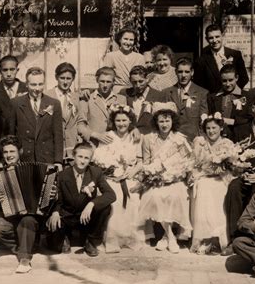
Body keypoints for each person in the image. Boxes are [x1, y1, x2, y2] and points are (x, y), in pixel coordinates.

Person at [0, 135, 55, 273]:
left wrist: (52, 193)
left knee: (27, 220)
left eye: (12, 151)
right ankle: (27, 246)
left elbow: (49, 194)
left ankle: (24, 259)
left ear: (20, 152)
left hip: (32, 218)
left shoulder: (34, 168)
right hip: (10, 217)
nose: (9, 155)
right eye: (5, 152)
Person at [222, 97, 255, 256]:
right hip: (243, 173)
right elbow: (231, 154)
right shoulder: (240, 130)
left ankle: (254, 239)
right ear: (253, 109)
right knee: (234, 188)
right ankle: (235, 240)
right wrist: (240, 168)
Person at [139, 103, 193, 254]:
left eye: (167, 120)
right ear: (156, 122)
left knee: (177, 195)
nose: (164, 124)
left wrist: (177, 175)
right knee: (154, 196)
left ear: (172, 121)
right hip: (155, 180)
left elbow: (188, 162)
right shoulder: (149, 139)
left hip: (175, 180)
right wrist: (153, 175)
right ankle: (170, 237)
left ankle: (164, 237)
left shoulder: (180, 139)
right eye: (161, 121)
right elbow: (146, 163)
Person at [92, 105, 146, 253]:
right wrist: (113, 169)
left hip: (130, 175)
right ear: (113, 121)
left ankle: (130, 237)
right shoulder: (108, 136)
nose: (121, 124)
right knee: (115, 198)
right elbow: (98, 158)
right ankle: (112, 239)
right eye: (118, 120)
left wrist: (132, 171)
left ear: (130, 121)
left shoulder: (135, 137)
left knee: (133, 197)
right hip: (112, 177)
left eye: (124, 120)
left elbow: (141, 161)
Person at [46, 143, 116, 256]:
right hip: (67, 215)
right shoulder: (62, 175)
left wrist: (92, 204)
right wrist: (55, 212)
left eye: (86, 158)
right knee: (56, 242)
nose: (83, 161)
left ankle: (91, 241)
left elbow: (111, 194)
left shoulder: (95, 173)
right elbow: (58, 199)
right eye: (80, 156)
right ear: (74, 156)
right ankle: (64, 237)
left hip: (85, 217)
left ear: (90, 159)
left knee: (106, 207)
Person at [189, 113, 234, 255]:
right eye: (208, 128)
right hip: (204, 177)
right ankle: (205, 238)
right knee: (203, 188)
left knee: (219, 191)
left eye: (214, 127)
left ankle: (218, 239)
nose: (211, 131)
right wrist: (196, 174)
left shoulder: (227, 144)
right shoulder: (200, 143)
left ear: (221, 128)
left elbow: (233, 166)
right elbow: (193, 164)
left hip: (222, 178)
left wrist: (222, 168)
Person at [9, 67, 63, 170]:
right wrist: (11, 158)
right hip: (23, 159)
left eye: (40, 84)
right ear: (26, 84)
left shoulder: (54, 103)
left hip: (47, 159)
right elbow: (11, 135)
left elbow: (58, 135)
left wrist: (58, 161)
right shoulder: (16, 103)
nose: (37, 89)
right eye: (33, 84)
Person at [78, 67, 129, 146]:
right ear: (97, 80)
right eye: (102, 81)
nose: (105, 85)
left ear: (113, 82)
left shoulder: (121, 99)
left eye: (108, 82)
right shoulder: (87, 98)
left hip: (115, 144)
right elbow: (80, 125)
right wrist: (95, 134)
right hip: (93, 145)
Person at [162, 57, 209, 142]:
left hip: (194, 138)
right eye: (180, 72)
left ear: (192, 72)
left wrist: (201, 138)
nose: (183, 75)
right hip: (172, 139)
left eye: (187, 72)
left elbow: (204, 119)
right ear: (175, 72)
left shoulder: (202, 93)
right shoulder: (167, 92)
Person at [194, 24, 249, 94]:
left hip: (234, 97)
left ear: (222, 36)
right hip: (213, 99)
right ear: (206, 39)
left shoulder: (235, 54)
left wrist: (232, 91)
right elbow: (199, 84)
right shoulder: (201, 60)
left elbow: (244, 78)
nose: (214, 40)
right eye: (211, 38)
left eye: (217, 37)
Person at [46, 62, 82, 163]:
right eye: (62, 78)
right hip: (53, 146)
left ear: (73, 79)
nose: (65, 82)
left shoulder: (75, 97)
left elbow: (79, 120)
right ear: (56, 77)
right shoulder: (47, 96)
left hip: (72, 148)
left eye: (68, 78)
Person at [208, 64, 255, 142]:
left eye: (230, 80)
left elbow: (250, 117)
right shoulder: (213, 97)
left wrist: (232, 121)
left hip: (240, 139)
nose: (227, 84)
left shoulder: (248, 96)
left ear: (236, 78)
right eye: (224, 81)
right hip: (218, 139)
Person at [120, 65, 167, 135]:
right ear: (130, 80)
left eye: (141, 81)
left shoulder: (159, 96)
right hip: (129, 136)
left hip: (150, 136)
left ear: (147, 79)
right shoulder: (124, 94)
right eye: (134, 82)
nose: (138, 85)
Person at [103, 28, 145, 93]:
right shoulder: (111, 56)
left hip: (135, 90)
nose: (128, 42)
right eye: (125, 39)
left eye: (131, 40)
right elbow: (105, 76)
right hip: (117, 91)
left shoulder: (140, 57)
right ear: (120, 40)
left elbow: (142, 78)